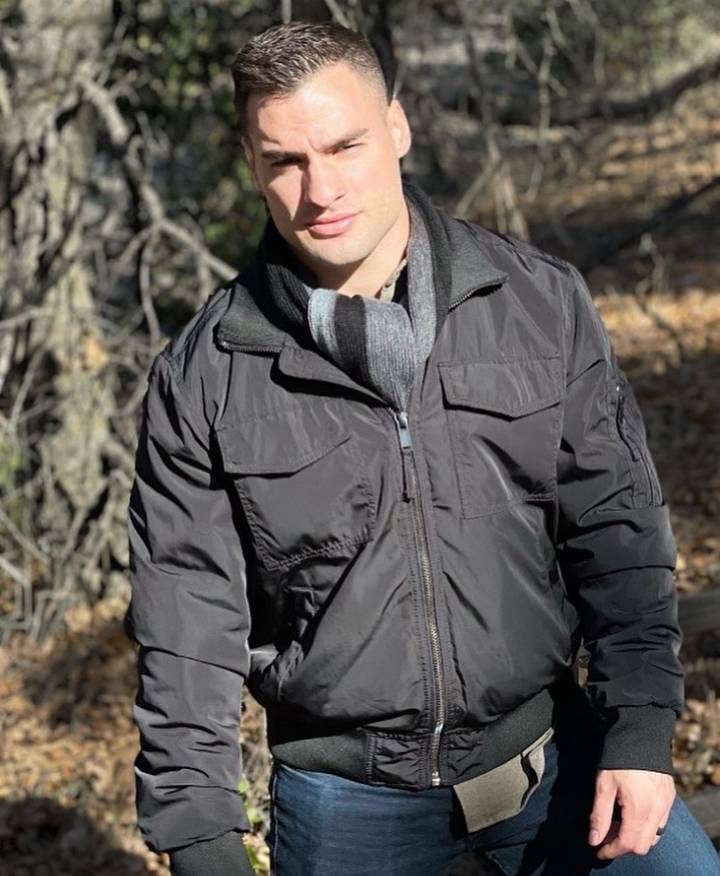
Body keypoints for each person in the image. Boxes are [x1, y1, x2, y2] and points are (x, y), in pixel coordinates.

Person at [123, 20, 720, 876]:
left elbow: (618, 531)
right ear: (252, 165)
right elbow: (187, 623)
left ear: (397, 128)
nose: (320, 189)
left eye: (345, 146)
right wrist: (203, 839)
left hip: (553, 761)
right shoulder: (207, 374)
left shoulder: (536, 302)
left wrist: (642, 730)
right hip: (345, 801)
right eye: (285, 161)